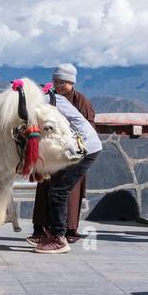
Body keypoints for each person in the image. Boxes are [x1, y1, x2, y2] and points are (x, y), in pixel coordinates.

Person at [30, 64, 96, 244]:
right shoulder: (49, 98)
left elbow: (87, 127)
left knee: (67, 193)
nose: (57, 85)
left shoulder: (82, 101)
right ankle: (42, 229)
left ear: (70, 83)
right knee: (46, 190)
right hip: (52, 152)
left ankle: (67, 231)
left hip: (73, 152)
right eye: (55, 81)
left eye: (61, 82)